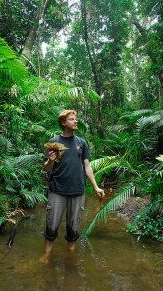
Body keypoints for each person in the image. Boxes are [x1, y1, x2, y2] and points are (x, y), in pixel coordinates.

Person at [39, 109, 105, 263]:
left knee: (73, 226)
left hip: (77, 190)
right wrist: (50, 160)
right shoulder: (54, 141)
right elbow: (47, 168)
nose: (76, 121)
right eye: (72, 119)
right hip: (57, 190)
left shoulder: (81, 143)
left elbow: (87, 166)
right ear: (63, 123)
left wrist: (96, 186)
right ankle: (47, 255)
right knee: (52, 223)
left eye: (76, 119)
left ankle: (71, 255)